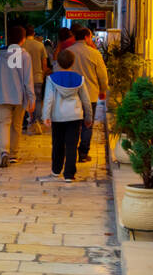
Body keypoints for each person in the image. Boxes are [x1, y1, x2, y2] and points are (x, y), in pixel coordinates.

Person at [40, 47, 93, 182]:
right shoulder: (79, 79)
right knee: (72, 145)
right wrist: (88, 117)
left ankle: (56, 170)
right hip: (75, 116)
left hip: (57, 116)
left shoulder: (51, 79)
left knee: (57, 143)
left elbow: (49, 98)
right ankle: (69, 174)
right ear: (73, 62)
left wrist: (46, 116)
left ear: (57, 62)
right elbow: (86, 100)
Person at [0, 24, 35, 167]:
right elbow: (28, 80)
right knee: (16, 125)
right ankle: (13, 154)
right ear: (23, 39)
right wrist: (31, 98)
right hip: (19, 96)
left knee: (3, 123)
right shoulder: (25, 55)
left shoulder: (0, 55)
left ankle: (4, 152)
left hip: (2, 95)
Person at [67, 25, 110, 163]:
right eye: (90, 37)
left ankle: (71, 152)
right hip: (90, 95)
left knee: (73, 125)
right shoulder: (94, 54)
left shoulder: (68, 52)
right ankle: (83, 153)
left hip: (71, 94)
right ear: (86, 37)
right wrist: (103, 90)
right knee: (87, 124)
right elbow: (102, 75)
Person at [21, 25, 49, 135]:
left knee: (24, 99)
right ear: (33, 34)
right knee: (37, 99)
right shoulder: (40, 45)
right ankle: (36, 121)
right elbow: (44, 63)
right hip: (37, 77)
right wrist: (43, 74)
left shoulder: (21, 45)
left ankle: (24, 122)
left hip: (24, 77)